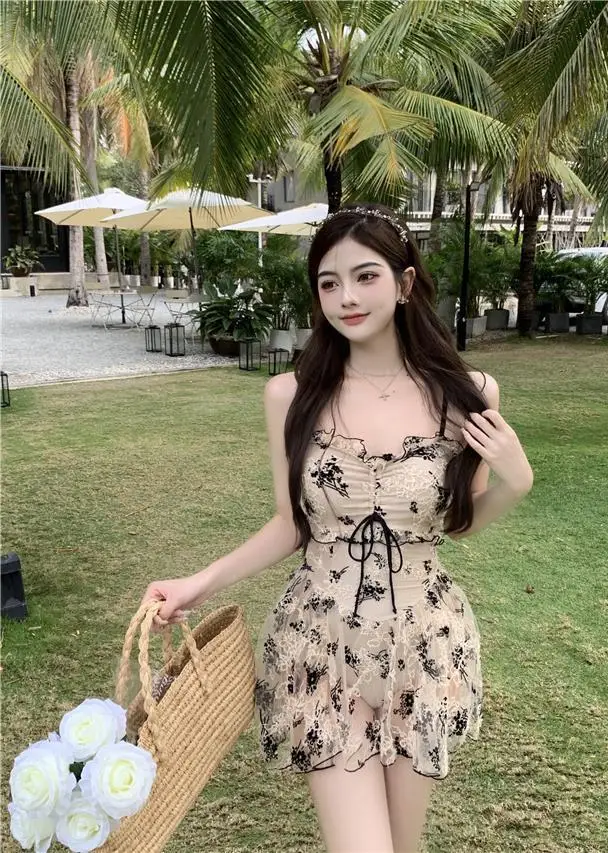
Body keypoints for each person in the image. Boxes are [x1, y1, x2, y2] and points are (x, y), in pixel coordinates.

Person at [141, 203, 534, 853]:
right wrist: (197, 583)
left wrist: (516, 482)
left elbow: (458, 524)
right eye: (329, 282)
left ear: (405, 283)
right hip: (319, 644)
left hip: (424, 645)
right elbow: (290, 525)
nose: (346, 297)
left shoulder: (469, 393)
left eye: (365, 276)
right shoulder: (290, 396)